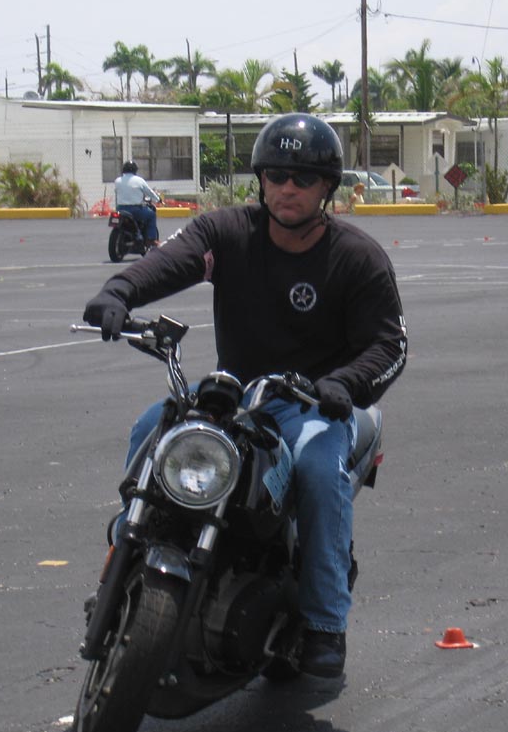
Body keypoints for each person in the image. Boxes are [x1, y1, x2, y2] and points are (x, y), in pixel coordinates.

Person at [84, 114, 407, 678]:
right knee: (150, 430)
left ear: (326, 188)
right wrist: (120, 291)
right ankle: (122, 563)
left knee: (317, 471)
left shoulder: (357, 257)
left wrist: (345, 383)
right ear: (261, 179)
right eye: (277, 175)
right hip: (239, 394)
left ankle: (325, 623)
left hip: (314, 405)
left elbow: (390, 344)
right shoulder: (228, 232)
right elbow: (172, 260)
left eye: (303, 178)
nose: (288, 188)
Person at [113, 161, 162, 245]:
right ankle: (151, 239)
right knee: (151, 215)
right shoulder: (139, 180)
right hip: (135, 209)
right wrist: (158, 199)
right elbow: (149, 192)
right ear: (135, 170)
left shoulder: (117, 181)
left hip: (120, 209)